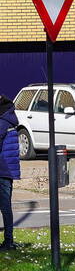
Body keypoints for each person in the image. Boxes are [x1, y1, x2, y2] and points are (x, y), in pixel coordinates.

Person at [0, 95, 20, 251]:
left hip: (2, 169)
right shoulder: (9, 117)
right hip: (7, 169)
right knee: (5, 207)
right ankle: (9, 241)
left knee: (5, 207)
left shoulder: (2, 122)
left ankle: (8, 242)